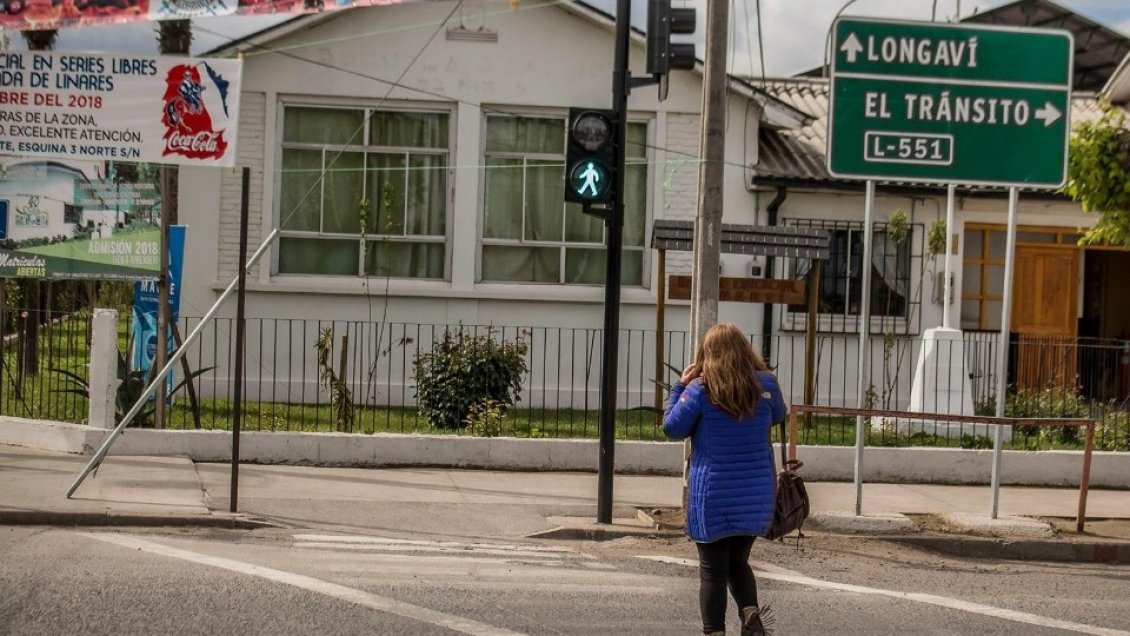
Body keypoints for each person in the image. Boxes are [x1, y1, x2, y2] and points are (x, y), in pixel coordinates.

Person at [663, 323, 788, 636]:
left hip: (713, 494)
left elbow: (672, 428)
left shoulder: (700, 390)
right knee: (738, 561)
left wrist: (679, 387)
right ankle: (750, 615)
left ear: (707, 353)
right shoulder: (766, 386)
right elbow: (779, 415)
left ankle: (715, 632)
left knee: (712, 571)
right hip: (756, 495)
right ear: (744, 350)